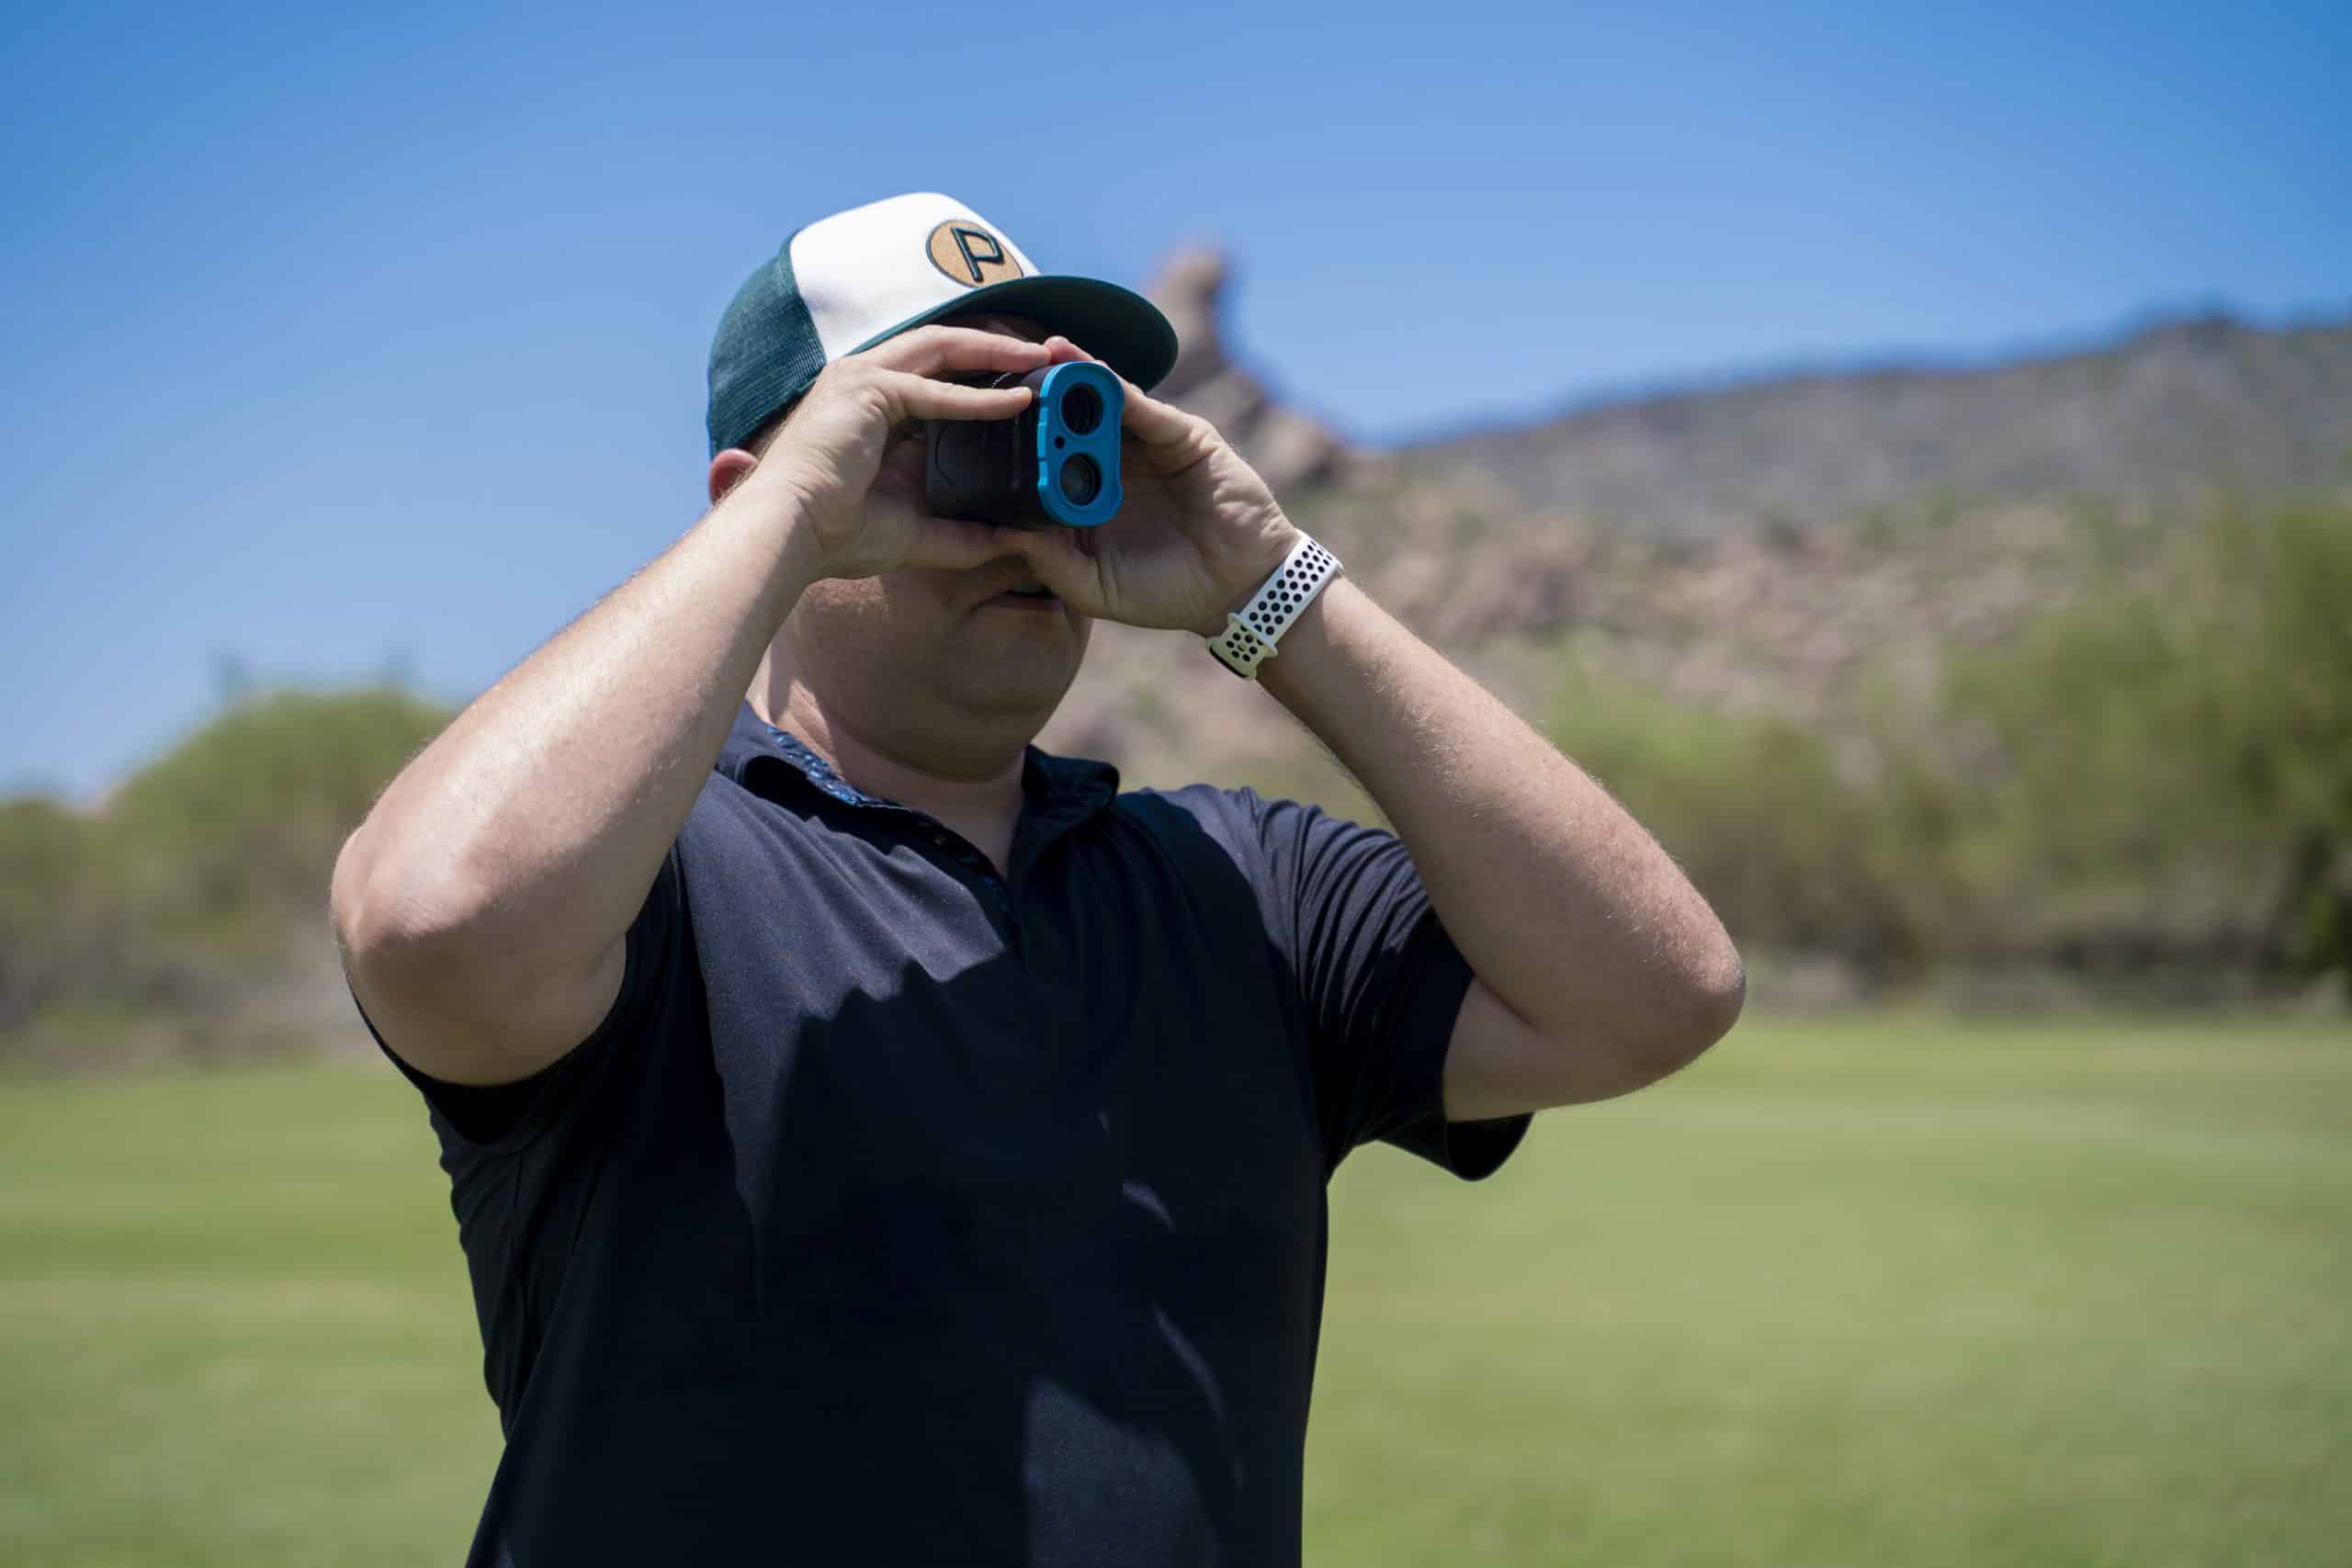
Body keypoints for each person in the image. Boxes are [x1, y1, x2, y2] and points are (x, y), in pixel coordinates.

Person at [331, 191, 1745, 1567]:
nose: (1013, 493)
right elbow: (433, 921)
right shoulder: (643, 883)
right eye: (941, 424)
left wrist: (1271, 582)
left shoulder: (1241, 886)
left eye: (1052, 425)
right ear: (764, 496)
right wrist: (788, 525)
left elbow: (1655, 996)